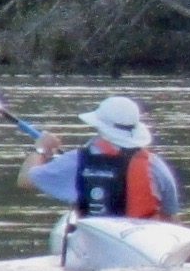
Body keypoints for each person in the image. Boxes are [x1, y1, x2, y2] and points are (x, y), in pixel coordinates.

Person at [18, 95, 181, 221]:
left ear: (99, 127)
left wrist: (41, 149)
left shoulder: (77, 160)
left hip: (96, 237)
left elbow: (26, 179)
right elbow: (171, 216)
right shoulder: (155, 165)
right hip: (143, 242)